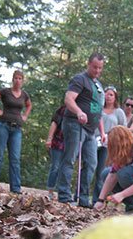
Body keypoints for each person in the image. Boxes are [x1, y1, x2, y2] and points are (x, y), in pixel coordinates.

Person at [57, 52, 107, 207]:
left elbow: (99, 111)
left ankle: (83, 198)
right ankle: (65, 195)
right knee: (70, 159)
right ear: (88, 64)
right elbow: (69, 99)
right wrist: (79, 112)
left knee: (92, 163)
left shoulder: (98, 86)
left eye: (100, 68)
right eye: (94, 67)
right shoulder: (80, 79)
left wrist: (102, 132)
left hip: (92, 131)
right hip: (75, 125)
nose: (97, 71)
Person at [0, 70, 32, 194]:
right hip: (2, 126)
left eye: (20, 78)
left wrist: (25, 116)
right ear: (13, 80)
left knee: (15, 158)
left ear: (23, 81)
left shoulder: (24, 95)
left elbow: (29, 105)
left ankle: (15, 187)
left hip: (16, 129)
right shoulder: (5, 92)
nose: (18, 80)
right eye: (16, 78)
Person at [92, 86, 127, 206]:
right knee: (90, 168)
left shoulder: (119, 112)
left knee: (103, 171)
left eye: (111, 94)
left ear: (115, 97)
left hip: (110, 143)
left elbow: (124, 129)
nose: (108, 97)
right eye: (106, 94)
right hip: (95, 140)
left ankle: (100, 199)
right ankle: (85, 197)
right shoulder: (98, 109)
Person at [46, 105, 66, 199]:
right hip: (58, 142)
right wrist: (49, 139)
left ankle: (63, 191)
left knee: (65, 168)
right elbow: (54, 123)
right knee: (55, 166)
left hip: (70, 144)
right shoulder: (63, 109)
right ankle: (51, 190)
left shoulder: (82, 108)